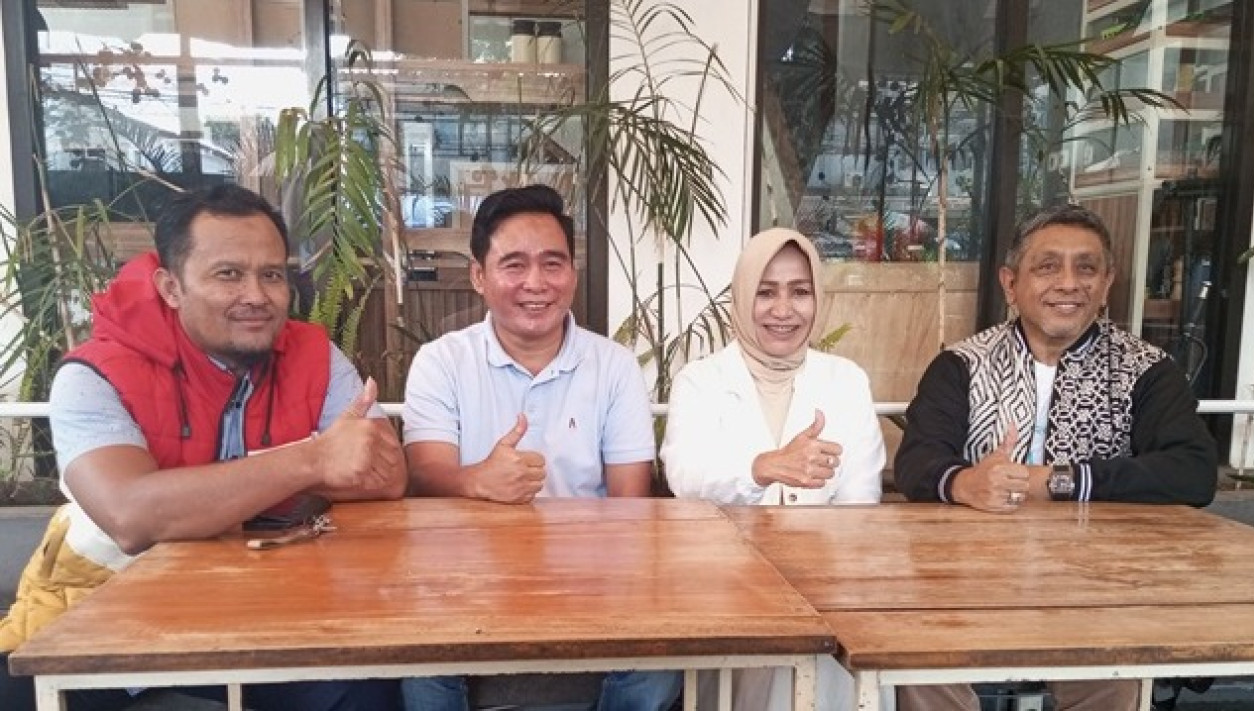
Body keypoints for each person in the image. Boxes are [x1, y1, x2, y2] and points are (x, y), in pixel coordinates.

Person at [0, 185, 407, 711]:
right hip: (104, 607)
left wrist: (216, 493)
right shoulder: (95, 373)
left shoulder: (314, 356)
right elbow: (131, 516)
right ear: (171, 287)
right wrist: (313, 460)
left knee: (364, 687)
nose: (256, 295)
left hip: (274, 609)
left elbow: (385, 475)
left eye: (272, 275)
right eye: (228, 274)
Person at [893, 202, 1218, 711]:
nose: (1068, 283)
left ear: (1106, 284)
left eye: (1086, 268)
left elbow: (1193, 471)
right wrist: (963, 483)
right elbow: (917, 461)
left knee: (1116, 675)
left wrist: (1058, 481)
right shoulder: (961, 364)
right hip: (969, 581)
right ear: (1010, 283)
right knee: (917, 662)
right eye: (1047, 266)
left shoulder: (1146, 370)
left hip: (1098, 586)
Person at [399, 184, 681, 711]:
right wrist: (477, 480)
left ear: (572, 273)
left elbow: (630, 504)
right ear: (479, 276)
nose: (536, 283)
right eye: (514, 265)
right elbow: (425, 474)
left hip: (592, 578)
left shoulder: (614, 366)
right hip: (466, 580)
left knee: (658, 670)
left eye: (553, 263)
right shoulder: (442, 362)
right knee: (421, 670)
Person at [660, 227, 886, 711]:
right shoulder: (700, 381)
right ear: (743, 298)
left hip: (828, 587)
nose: (783, 310)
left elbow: (860, 501)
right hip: (727, 584)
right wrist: (764, 467)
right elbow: (685, 475)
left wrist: (814, 570)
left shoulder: (846, 381)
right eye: (765, 292)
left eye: (799, 292)